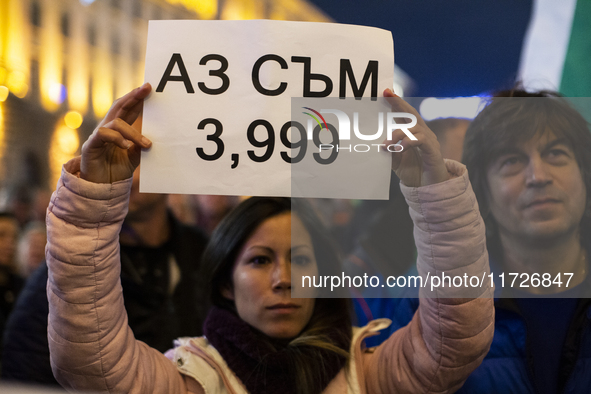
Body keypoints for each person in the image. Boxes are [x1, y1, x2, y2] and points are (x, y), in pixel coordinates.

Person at [45, 83, 493, 393]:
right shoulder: (189, 381)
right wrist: (92, 201)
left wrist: (433, 192)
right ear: (225, 281)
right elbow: (90, 364)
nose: (285, 279)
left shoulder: (372, 373)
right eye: (259, 260)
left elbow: (456, 341)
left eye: (301, 259)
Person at [375, 88, 591, 393]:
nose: (538, 176)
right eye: (512, 161)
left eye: (555, 153)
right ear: (483, 193)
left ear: (585, 176)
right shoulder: (429, 302)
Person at [2, 167, 209, 384]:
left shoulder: (199, 252)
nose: (122, 170)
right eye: (112, 159)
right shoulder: (67, 266)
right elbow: (24, 376)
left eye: (138, 158)